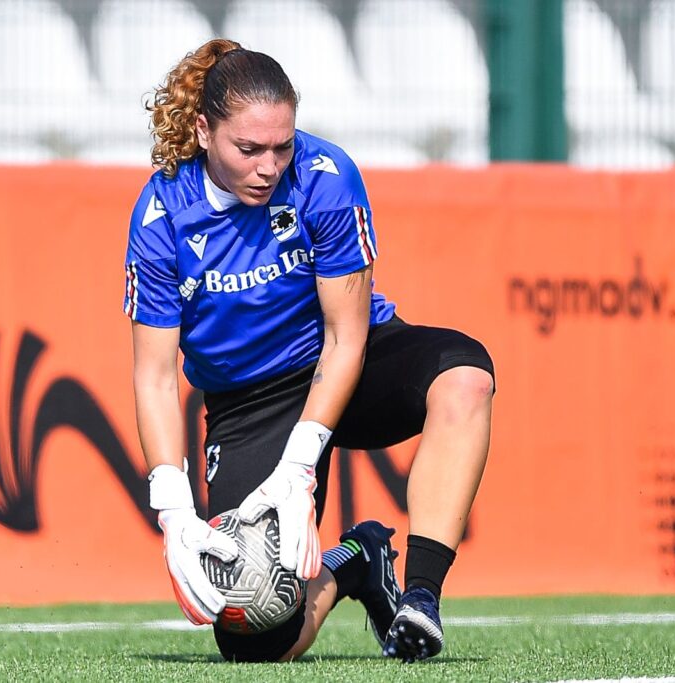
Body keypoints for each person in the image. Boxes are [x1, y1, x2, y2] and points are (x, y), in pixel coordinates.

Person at [125, 38, 494, 663]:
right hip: (249, 401)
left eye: (282, 146)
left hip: (343, 361)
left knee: (465, 376)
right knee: (256, 643)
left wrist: (299, 468)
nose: (270, 166)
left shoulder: (325, 176)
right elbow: (156, 377)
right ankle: (355, 563)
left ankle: (421, 600)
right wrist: (174, 511)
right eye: (249, 149)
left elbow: (347, 337)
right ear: (202, 130)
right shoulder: (161, 216)